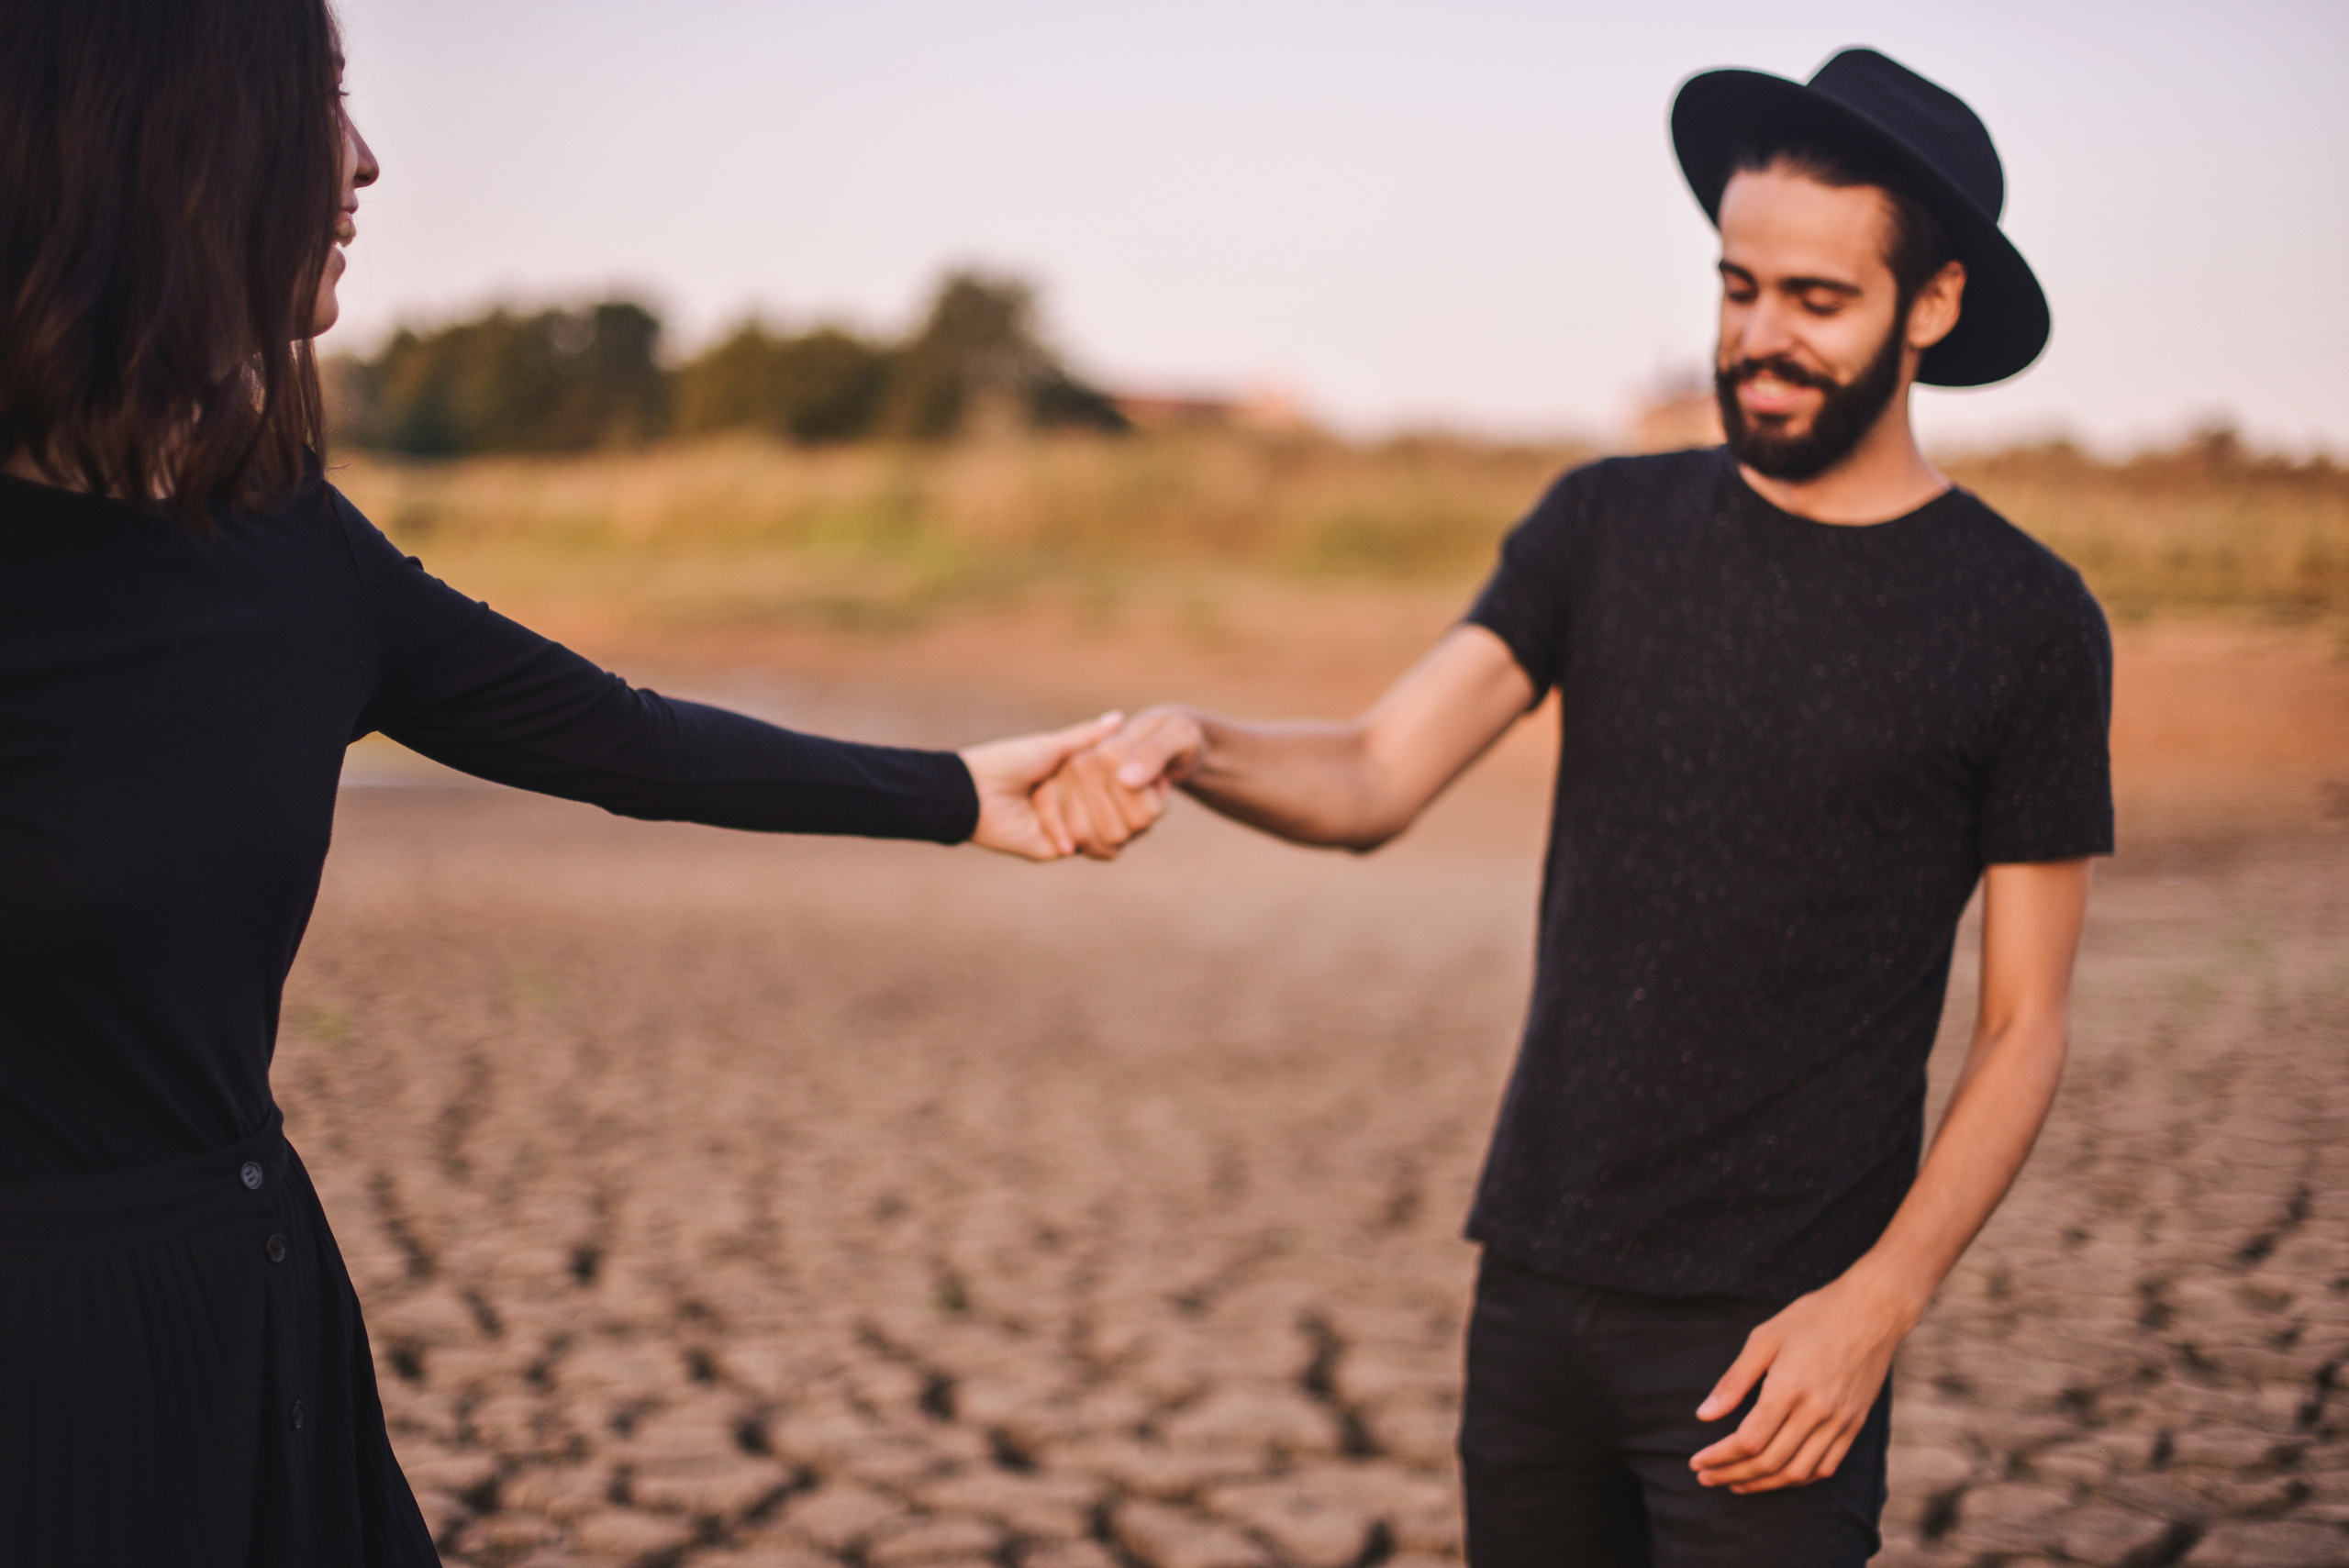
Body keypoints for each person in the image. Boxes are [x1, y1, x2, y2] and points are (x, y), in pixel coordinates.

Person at [0, 2, 1119, 1561]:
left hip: (257, 1317)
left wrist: (959, 790)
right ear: (166, 142)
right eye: (320, 98)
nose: (367, 158)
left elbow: (629, 740)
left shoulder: (287, 546)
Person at [1041, 49, 2111, 1566]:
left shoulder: (2026, 621)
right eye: (1738, 288)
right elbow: (1373, 775)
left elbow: (2025, 1024)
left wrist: (1878, 1302)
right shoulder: (1602, 526)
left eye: (1818, 301)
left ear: (1932, 305)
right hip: (1534, 1289)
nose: (1759, 339)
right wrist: (1194, 741)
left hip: (1778, 1332)